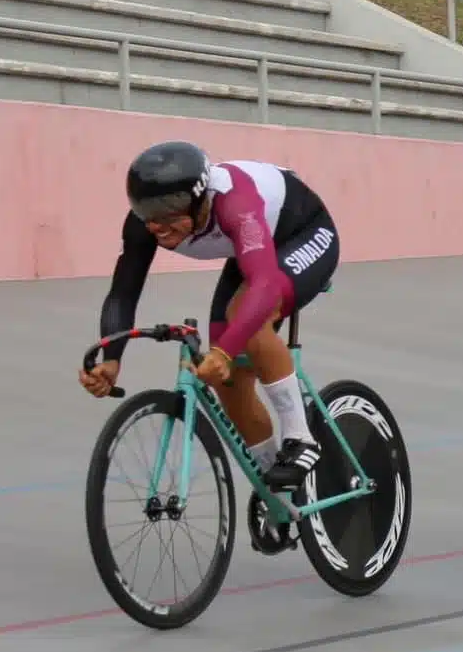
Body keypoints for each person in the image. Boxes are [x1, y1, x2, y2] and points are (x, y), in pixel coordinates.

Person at [79, 141, 341, 500]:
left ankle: (300, 438)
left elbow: (263, 286)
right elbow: (123, 292)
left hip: (303, 233)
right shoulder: (146, 223)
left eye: (171, 211)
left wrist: (224, 352)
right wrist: (111, 357)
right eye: (147, 212)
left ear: (202, 199)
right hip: (251, 249)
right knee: (227, 379)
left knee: (243, 323)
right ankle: (275, 488)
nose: (158, 224)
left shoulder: (236, 203)